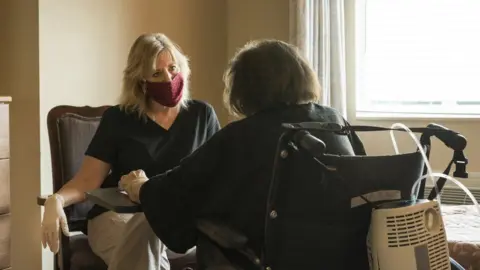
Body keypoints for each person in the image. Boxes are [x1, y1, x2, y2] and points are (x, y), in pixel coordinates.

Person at [119, 39, 366, 269]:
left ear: (244, 88)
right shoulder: (334, 121)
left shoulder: (241, 135)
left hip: (261, 258)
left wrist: (141, 186)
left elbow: (179, 187)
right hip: (339, 258)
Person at [40, 33, 221, 270]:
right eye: (157, 73)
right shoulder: (118, 118)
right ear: (141, 81)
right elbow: (88, 180)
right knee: (140, 247)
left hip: (177, 221)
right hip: (116, 218)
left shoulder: (201, 115)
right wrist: (57, 199)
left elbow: (220, 176)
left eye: (173, 68)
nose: (168, 78)